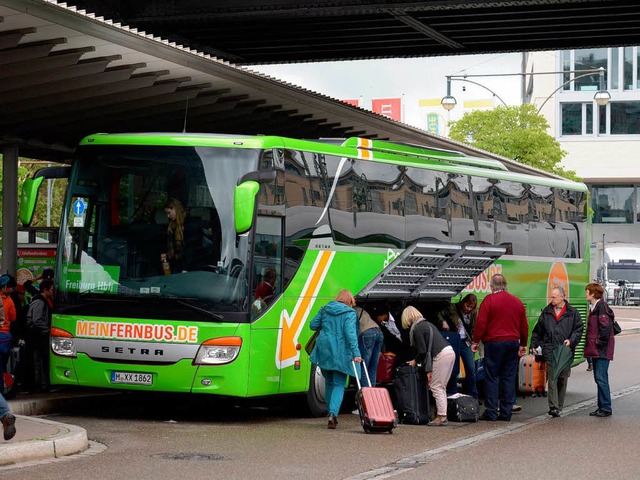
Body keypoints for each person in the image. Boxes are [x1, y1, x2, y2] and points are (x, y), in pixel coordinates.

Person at [472, 274, 528, 421]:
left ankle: (491, 412)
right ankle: (506, 412)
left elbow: (481, 323)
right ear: (506, 285)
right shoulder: (517, 301)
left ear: (491, 287)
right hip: (512, 342)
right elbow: (524, 325)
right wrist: (523, 344)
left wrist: (475, 341)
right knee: (508, 377)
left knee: (491, 377)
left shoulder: (489, 300)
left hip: (494, 343)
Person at [309, 289, 362, 429]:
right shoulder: (349, 313)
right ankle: (333, 414)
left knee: (329, 382)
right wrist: (356, 353)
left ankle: (330, 411)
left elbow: (312, 325)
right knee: (339, 383)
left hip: (324, 351)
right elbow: (351, 334)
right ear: (350, 301)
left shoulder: (325, 309)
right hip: (341, 352)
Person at [530, 286, 584, 417]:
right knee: (553, 377)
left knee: (562, 379)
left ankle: (559, 405)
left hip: (565, 351)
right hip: (550, 349)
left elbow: (579, 329)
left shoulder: (573, 313)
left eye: (554, 297)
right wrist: (533, 344)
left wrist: (571, 341)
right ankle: (553, 407)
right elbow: (538, 330)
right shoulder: (547, 312)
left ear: (562, 297)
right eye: (551, 297)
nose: (552, 299)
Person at [401, 305, 455, 427]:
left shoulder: (418, 328)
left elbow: (423, 351)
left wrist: (415, 361)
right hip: (449, 351)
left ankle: (441, 416)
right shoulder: (427, 324)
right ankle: (441, 414)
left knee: (436, 387)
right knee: (441, 386)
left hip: (441, 355)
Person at [585, 282, 615, 418]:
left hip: (601, 350)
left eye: (587, 292)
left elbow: (605, 329)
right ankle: (602, 406)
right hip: (599, 349)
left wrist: (598, 343)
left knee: (601, 378)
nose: (585, 294)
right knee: (600, 378)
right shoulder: (595, 307)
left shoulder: (601, 308)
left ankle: (606, 407)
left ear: (592, 293)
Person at [439, 294, 479, 399]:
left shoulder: (474, 313)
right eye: (467, 305)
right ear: (463, 302)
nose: (468, 309)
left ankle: (472, 396)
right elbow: (439, 314)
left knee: (471, 369)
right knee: (453, 368)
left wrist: (475, 341)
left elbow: (475, 327)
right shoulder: (453, 308)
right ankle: (453, 394)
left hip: (466, 341)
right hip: (454, 340)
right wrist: (443, 322)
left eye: (471, 307)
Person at [25, 279, 54, 393]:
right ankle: (42, 384)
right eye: (51, 290)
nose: (52, 292)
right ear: (45, 290)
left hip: (36, 334)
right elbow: (37, 320)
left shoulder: (39, 300)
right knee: (42, 359)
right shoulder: (40, 302)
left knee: (38, 360)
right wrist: (47, 330)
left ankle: (39, 383)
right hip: (37, 335)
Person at [353, 306, 384, 387]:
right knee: (372, 368)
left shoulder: (349, 310)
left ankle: (365, 395)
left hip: (366, 333)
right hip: (378, 332)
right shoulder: (360, 309)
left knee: (363, 367)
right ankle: (371, 394)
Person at [161, 197, 189, 273]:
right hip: (175, 265)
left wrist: (186, 267)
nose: (168, 216)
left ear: (175, 209)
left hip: (187, 266)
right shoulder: (171, 226)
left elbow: (191, 249)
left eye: (169, 213)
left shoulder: (188, 225)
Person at [0, 275, 17, 394]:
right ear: (5, 287)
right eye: (10, 287)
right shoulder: (9, 301)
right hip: (4, 337)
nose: (11, 290)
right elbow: (13, 317)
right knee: (2, 367)